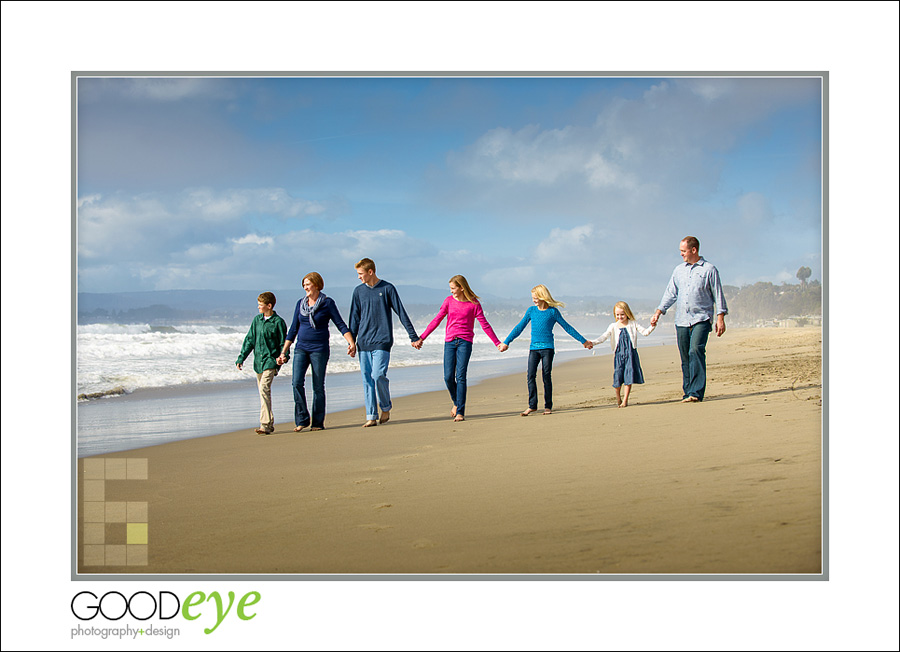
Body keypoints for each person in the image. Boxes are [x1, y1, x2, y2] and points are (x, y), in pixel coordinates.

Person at [414, 275, 504, 422]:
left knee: (460, 377)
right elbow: (437, 320)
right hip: (450, 342)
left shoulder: (474, 304)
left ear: (462, 288)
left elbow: (485, 325)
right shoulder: (448, 301)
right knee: (448, 377)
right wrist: (422, 337)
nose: (451, 292)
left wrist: (497, 343)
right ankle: (456, 402)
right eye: (450, 289)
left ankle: (460, 412)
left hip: (465, 343)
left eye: (453, 288)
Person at [651, 236, 728, 403]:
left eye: (683, 251)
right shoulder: (678, 270)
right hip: (681, 320)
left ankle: (696, 392)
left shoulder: (709, 269)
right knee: (685, 356)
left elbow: (718, 294)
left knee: (695, 351)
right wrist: (659, 311)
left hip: (701, 318)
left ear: (694, 250)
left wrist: (720, 318)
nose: (681, 254)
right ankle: (688, 392)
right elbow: (670, 293)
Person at [277, 272, 356, 432]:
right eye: (304, 284)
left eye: (308, 284)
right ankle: (302, 419)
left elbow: (340, 323)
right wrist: (283, 351)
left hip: (319, 349)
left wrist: (351, 342)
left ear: (317, 284)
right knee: (296, 383)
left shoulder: (327, 303)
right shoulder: (300, 303)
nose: (305, 287)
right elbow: (293, 329)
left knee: (318, 386)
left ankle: (318, 422)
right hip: (301, 348)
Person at [499, 284, 593, 416]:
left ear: (543, 296)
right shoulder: (531, 311)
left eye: (535, 297)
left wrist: (583, 341)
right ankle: (532, 405)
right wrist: (506, 342)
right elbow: (519, 327)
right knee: (530, 375)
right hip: (534, 349)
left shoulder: (553, 312)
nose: (533, 300)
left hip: (548, 348)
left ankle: (548, 406)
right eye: (532, 298)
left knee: (546, 376)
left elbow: (567, 327)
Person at [348, 258, 420, 428]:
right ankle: (371, 416)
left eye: (360, 273)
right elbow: (354, 319)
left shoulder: (387, 288)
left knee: (377, 375)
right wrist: (351, 342)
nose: (358, 277)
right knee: (367, 379)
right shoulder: (358, 292)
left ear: (370, 272)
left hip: (382, 340)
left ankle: (385, 407)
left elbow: (401, 313)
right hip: (363, 342)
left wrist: (413, 336)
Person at [235, 292, 287, 435]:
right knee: (262, 392)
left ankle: (264, 424)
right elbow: (249, 340)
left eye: (260, 305)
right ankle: (269, 425)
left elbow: (284, 343)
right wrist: (241, 358)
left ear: (269, 306)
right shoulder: (257, 321)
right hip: (258, 362)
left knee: (264, 388)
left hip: (271, 361)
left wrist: (284, 357)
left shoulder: (278, 322)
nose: (258, 307)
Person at [592, 301, 655, 408]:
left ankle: (625, 400)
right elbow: (604, 337)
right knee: (618, 376)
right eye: (617, 315)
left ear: (627, 313)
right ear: (614, 315)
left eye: (622, 314)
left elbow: (645, 332)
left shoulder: (633, 323)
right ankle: (618, 397)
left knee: (628, 376)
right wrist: (592, 343)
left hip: (631, 354)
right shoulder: (613, 326)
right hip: (618, 355)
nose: (620, 317)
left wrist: (653, 326)